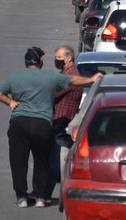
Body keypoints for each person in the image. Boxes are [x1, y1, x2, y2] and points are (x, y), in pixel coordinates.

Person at [0, 46, 100, 209]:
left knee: (18, 161)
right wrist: (92, 79)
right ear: (40, 61)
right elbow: (73, 80)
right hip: (42, 124)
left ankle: (21, 197)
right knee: (41, 161)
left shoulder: (15, 76)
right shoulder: (50, 77)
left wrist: (10, 102)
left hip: (19, 123)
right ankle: (40, 197)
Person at [44, 45, 83, 200]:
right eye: (55, 57)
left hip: (60, 122)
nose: (56, 60)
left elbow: (50, 94)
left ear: (69, 58)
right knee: (51, 158)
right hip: (59, 121)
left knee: (53, 159)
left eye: (59, 58)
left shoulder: (69, 77)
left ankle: (46, 193)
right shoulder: (68, 74)